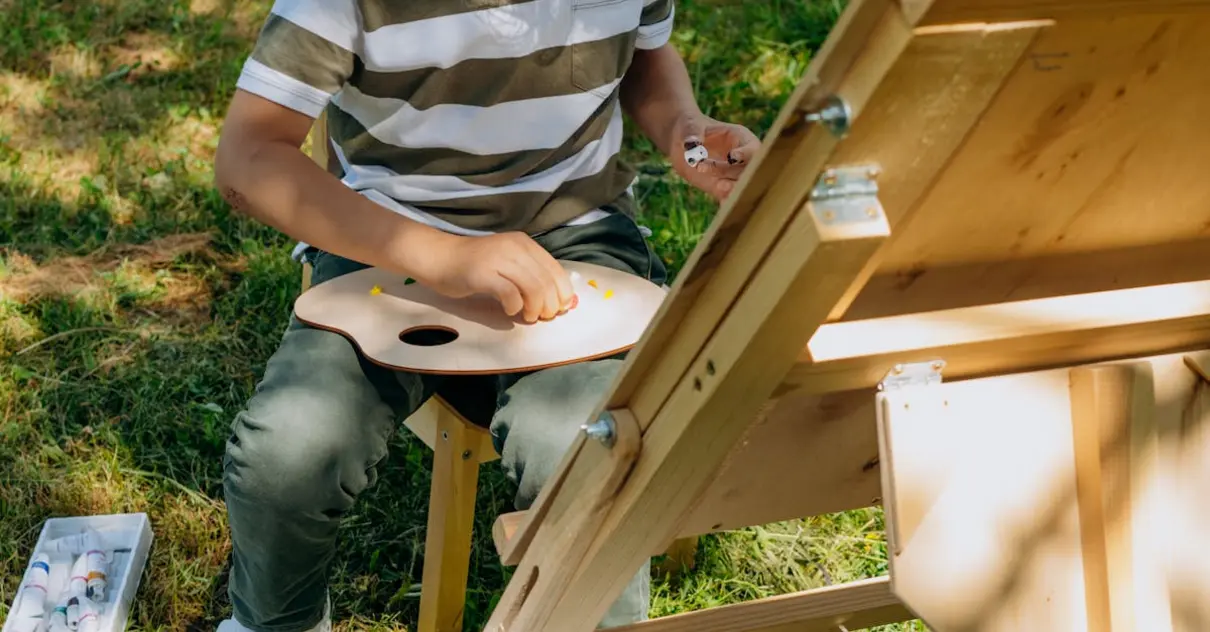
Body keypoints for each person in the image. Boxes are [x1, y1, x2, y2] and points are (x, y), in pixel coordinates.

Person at [212, 0, 760, 630]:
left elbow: (640, 53)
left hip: (573, 237)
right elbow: (248, 159)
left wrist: (683, 128)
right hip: (388, 239)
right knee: (287, 455)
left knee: (583, 455)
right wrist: (443, 256)